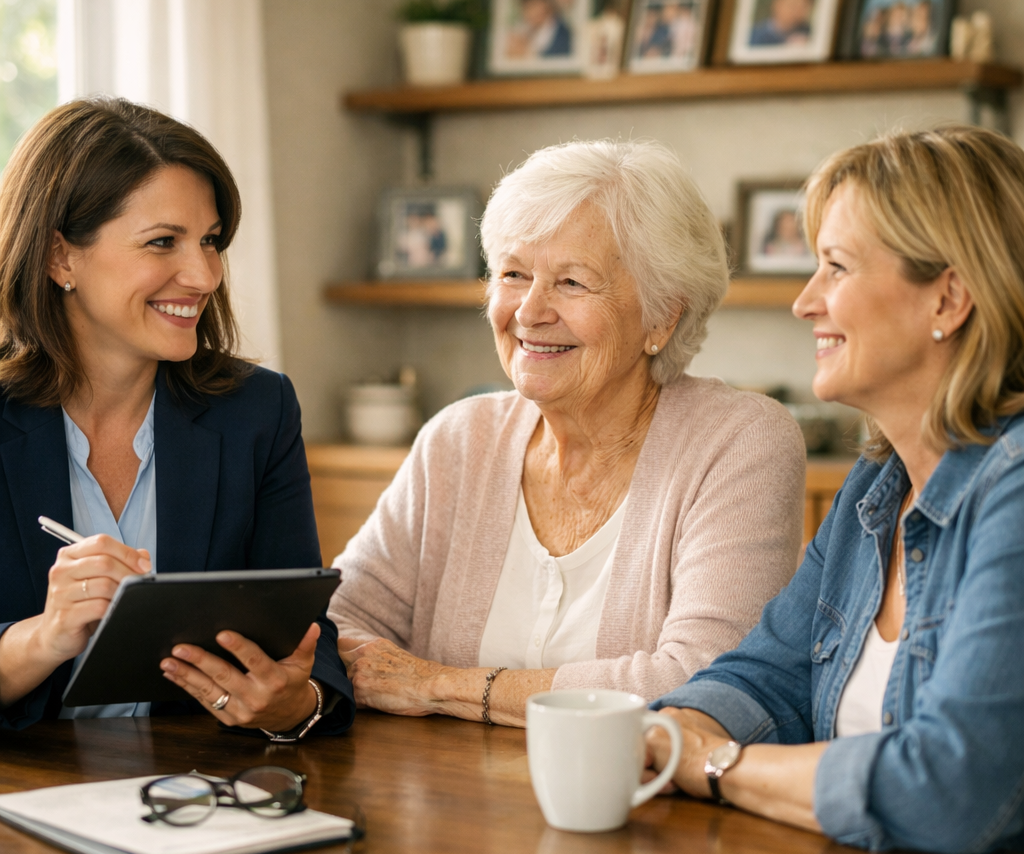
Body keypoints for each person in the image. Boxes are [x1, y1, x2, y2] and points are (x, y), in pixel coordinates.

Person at [645, 126, 1024, 854]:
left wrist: (714, 768)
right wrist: (670, 730)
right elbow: (766, 676)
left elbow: (952, 788)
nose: (804, 299)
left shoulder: (1017, 497)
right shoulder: (876, 490)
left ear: (947, 299)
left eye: (837, 267)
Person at [330, 139, 806, 727]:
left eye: (572, 283)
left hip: (644, 806)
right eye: (513, 274)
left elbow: (705, 679)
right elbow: (336, 621)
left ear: (663, 315)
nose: (529, 312)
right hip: (443, 799)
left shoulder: (739, 442)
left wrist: (439, 686)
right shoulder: (460, 439)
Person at [0, 97, 354, 736]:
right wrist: (45, 637)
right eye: (163, 242)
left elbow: (308, 642)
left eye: (211, 240)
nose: (205, 274)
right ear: (60, 258)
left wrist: (293, 706)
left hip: (191, 791)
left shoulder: (257, 411)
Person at [749, 0, 817, 47]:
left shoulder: (810, 33)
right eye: (792, 5)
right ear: (776, 3)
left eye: (803, 6)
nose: (796, 11)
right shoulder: (753, 36)